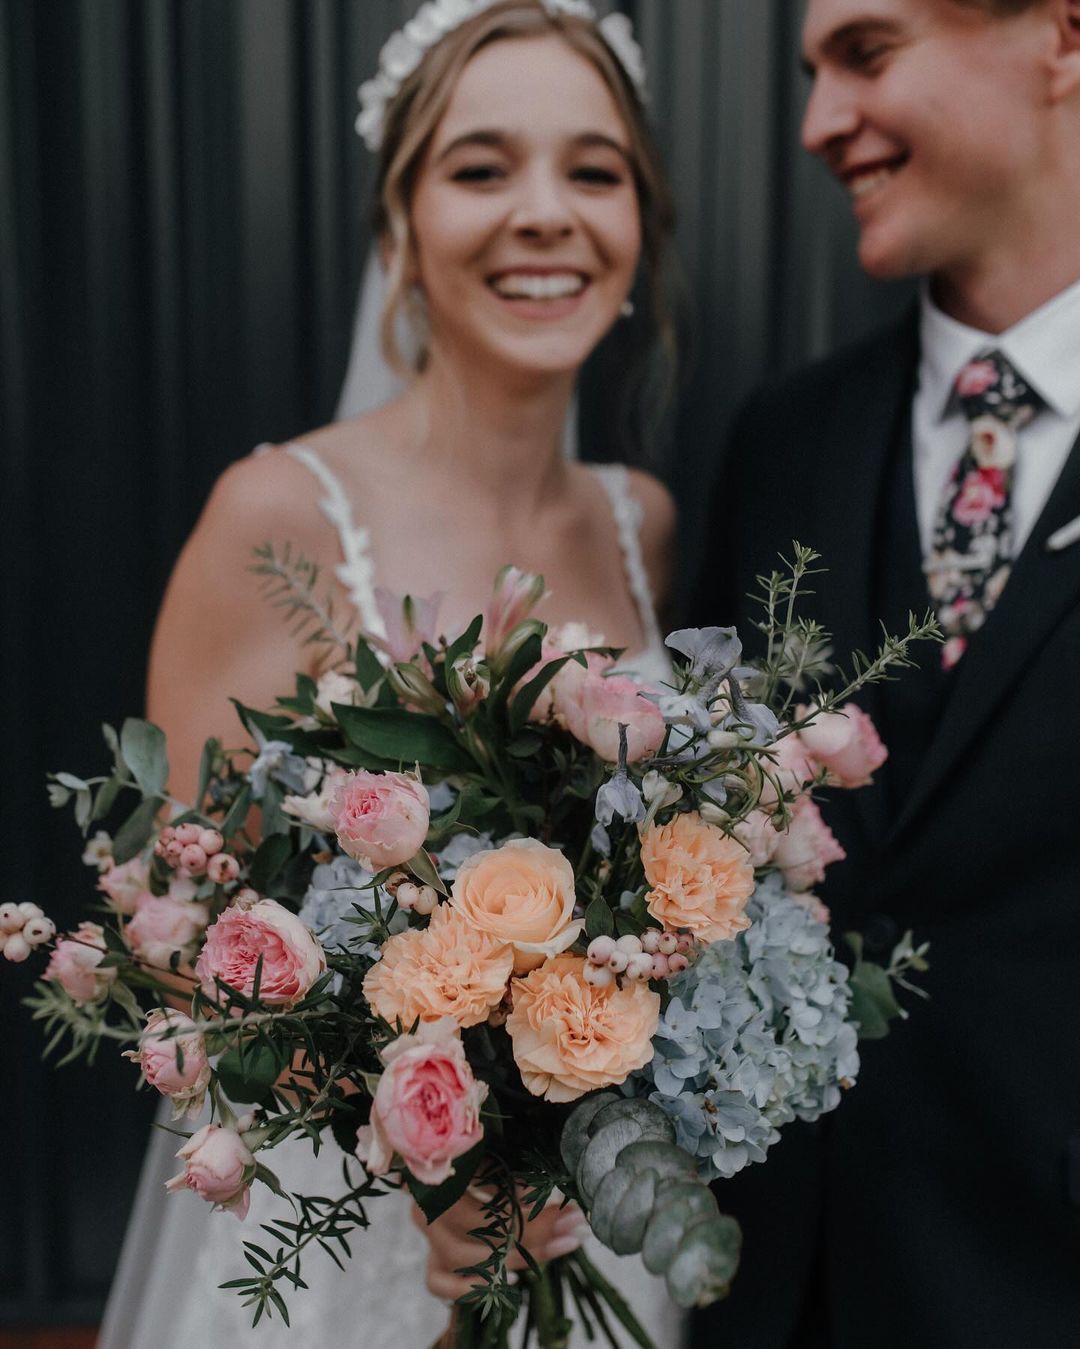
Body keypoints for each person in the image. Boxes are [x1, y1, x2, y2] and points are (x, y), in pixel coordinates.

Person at [97, 4, 688, 1346]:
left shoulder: (638, 522)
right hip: (337, 1254)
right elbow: (184, 944)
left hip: (592, 1234)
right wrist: (435, 1149)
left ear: (639, 223)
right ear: (399, 227)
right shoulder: (278, 515)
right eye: (482, 169)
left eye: (593, 171)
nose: (547, 213)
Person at [688, 1, 1080, 1346]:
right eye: (811, 75)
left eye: (868, 52)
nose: (815, 124)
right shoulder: (778, 444)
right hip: (781, 1295)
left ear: (1063, 39)